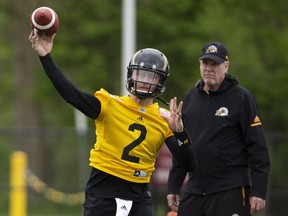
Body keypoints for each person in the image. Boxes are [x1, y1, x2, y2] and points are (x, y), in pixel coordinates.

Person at [28, 30, 196, 216]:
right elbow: (71, 94)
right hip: (103, 190)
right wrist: (46, 57)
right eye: (140, 74)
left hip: (139, 194)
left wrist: (180, 133)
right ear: (131, 74)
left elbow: (189, 164)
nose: (143, 81)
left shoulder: (164, 119)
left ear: (160, 81)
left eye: (151, 77)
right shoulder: (110, 104)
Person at [167, 41, 270, 216]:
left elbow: (258, 148)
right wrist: (174, 184)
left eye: (215, 64)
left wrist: (259, 191)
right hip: (195, 190)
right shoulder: (191, 98)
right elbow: (183, 146)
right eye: (205, 63)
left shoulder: (241, 98)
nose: (209, 68)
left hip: (230, 189)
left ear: (226, 66)